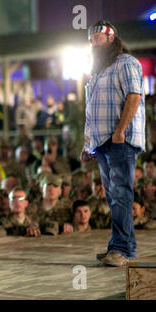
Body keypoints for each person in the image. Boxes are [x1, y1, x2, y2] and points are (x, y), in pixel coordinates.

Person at [81, 21, 146, 267]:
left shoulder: (126, 63)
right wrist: (87, 143)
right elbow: (90, 111)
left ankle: (122, 249)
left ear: (111, 38)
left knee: (120, 194)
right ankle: (120, 247)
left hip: (121, 140)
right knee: (113, 196)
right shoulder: (96, 72)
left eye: (98, 38)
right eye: (91, 40)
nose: (94, 43)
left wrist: (120, 131)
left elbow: (134, 96)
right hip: (102, 142)